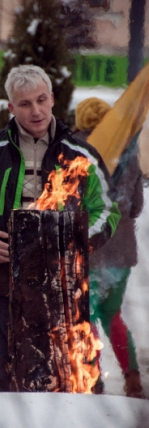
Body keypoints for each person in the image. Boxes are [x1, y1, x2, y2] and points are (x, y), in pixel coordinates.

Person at [0, 65, 120, 393]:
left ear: (53, 99)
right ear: (10, 107)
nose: (35, 110)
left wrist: (76, 244)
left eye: (41, 100)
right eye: (25, 104)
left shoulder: (81, 155)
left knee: (68, 383)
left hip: (62, 286)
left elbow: (107, 210)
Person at [74, 97, 145, 398]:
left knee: (85, 315)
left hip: (88, 245)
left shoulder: (78, 151)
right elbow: (137, 205)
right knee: (112, 313)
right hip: (121, 251)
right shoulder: (130, 153)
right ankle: (132, 378)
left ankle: (92, 379)